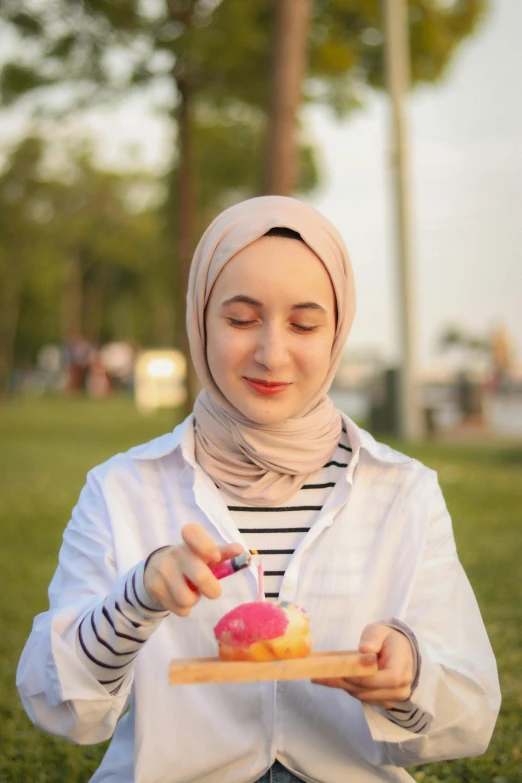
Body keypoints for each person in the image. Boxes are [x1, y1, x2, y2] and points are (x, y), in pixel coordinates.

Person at [17, 196, 500, 783]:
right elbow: (60, 707)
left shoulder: (402, 491)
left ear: (337, 329)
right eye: (241, 319)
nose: (272, 354)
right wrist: (138, 597)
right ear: (200, 319)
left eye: (303, 324)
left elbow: (471, 713)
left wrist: (409, 678)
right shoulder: (122, 489)